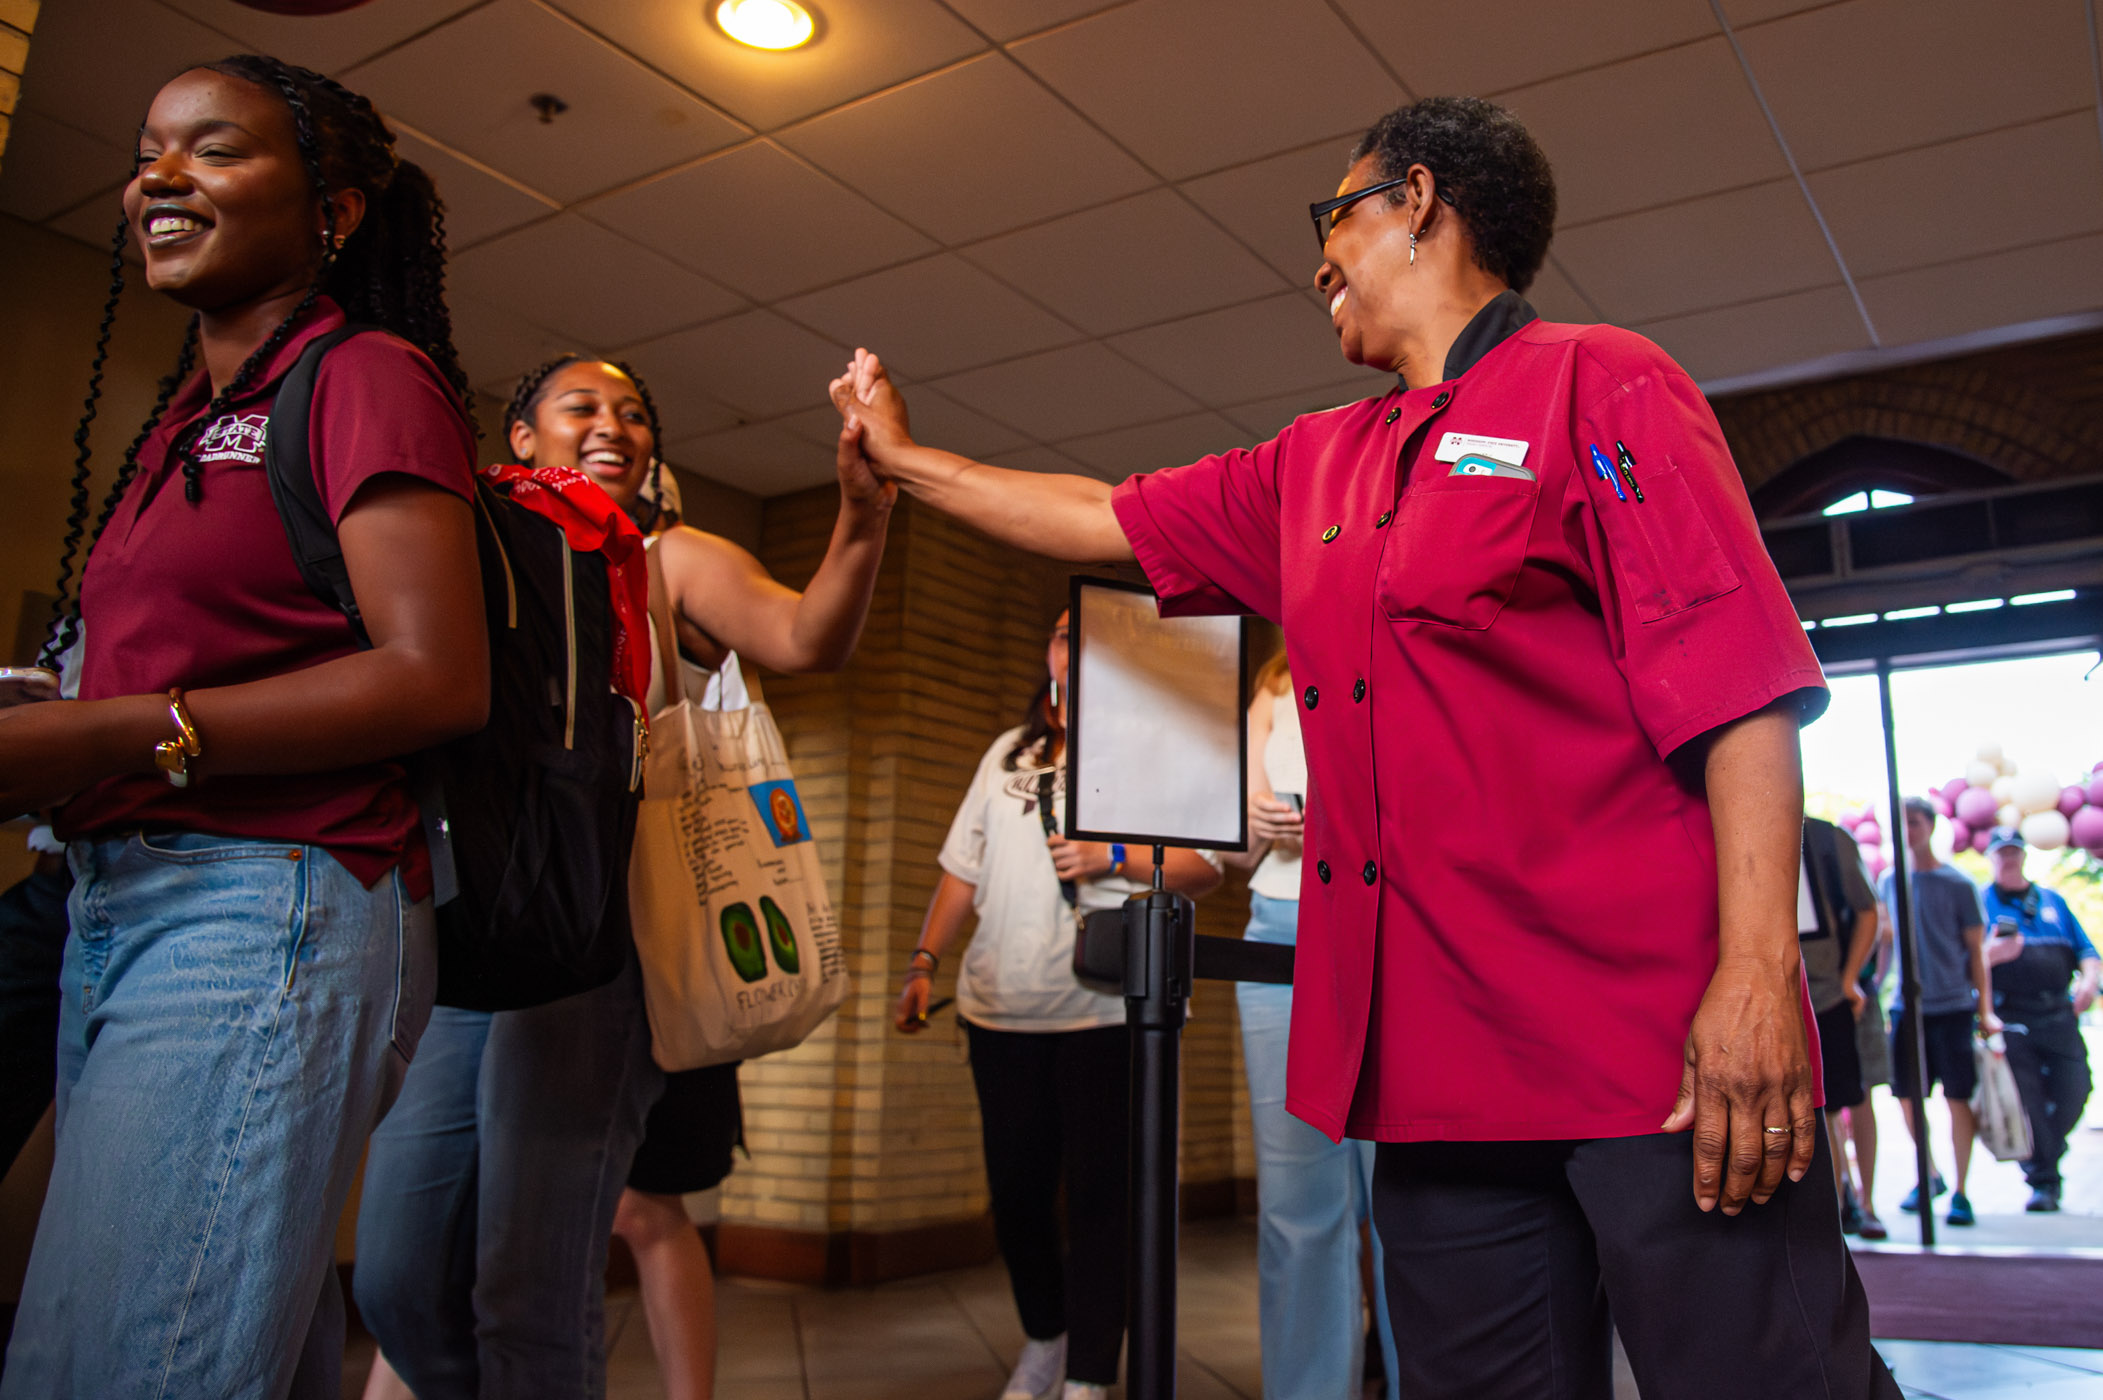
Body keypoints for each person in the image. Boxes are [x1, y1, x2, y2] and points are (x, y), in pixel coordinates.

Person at [834, 95, 1898, 1398]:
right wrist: (901, 463)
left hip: (1646, 1043)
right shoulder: (1313, 469)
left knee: (1763, 1379)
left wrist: (1750, 978)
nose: (1317, 259)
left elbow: (1729, 682)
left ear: (1418, 200)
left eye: (1333, 216)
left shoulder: (1596, 388)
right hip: (1435, 1066)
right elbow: (1098, 516)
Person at [0, 55, 488, 1400]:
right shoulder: (185, 419)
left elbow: (434, 675)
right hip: (123, 901)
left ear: (330, 209)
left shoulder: (360, 373)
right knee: (84, 1352)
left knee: (149, 1367)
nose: (158, 177)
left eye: (212, 151)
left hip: (261, 903)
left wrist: (111, 735)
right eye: (148, 151)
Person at [351, 355, 890, 1400]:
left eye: (635, 412)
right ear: (520, 436)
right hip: (466, 931)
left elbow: (807, 635)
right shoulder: (468, 545)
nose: (614, 425)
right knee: (398, 1275)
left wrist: (862, 516)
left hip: (597, 953)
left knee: (529, 1291)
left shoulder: (664, 557)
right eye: (583, 406)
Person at [894, 611, 1221, 1400]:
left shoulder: (1150, 745)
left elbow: (1204, 865)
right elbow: (959, 870)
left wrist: (1108, 852)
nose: (1072, 644)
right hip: (998, 1009)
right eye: (1061, 631)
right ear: (1046, 652)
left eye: (1089, 633)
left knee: (1104, 1200)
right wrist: (923, 960)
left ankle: (1084, 1376)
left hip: (1103, 1013)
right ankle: (1046, 1337)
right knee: (1015, 1195)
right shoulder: (1009, 754)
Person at [1221, 650, 1398, 1400]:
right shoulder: (1268, 686)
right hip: (1275, 926)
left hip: (1381, 926)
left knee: (1397, 1196)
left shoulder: (1391, 652)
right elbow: (1232, 851)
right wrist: (1255, 822)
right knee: (1295, 1200)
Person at [1880, 796, 1997, 1228]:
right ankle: (1929, 1175)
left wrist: (1985, 1009)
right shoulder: (1890, 880)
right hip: (1905, 1007)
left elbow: (1976, 953)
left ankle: (1962, 1191)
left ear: (1930, 826)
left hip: (1951, 1005)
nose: (1907, 830)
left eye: (1913, 822)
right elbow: (1886, 942)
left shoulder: (1959, 884)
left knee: (1957, 1097)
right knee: (1908, 1096)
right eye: (1900, 823)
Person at [1980, 828, 2098, 1213]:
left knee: (2076, 1088)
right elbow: (1965, 964)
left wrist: (2089, 982)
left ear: (2024, 855)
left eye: (2015, 851)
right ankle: (2043, 1180)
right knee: (2026, 1101)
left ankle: (2047, 1152)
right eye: (2002, 853)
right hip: (2011, 1016)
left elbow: (2087, 951)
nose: (2009, 858)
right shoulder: (1980, 903)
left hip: (2059, 1014)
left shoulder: (2053, 900)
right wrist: (1992, 955)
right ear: (1992, 858)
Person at [1799, 815, 1883, 1238]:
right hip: (1784, 994)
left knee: (1852, 1097)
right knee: (1819, 1107)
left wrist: (1850, 978)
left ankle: (1866, 1202)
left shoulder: (1827, 839)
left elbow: (1870, 912)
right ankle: (1837, 1201)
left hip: (1836, 995)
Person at [1843, 897, 1896, 1241]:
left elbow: (1882, 923)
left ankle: (1867, 1201)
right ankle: (1843, 1192)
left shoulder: (1842, 852)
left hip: (1853, 994)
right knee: (1827, 1106)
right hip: (1817, 989)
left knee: (1859, 1098)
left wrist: (1855, 978)